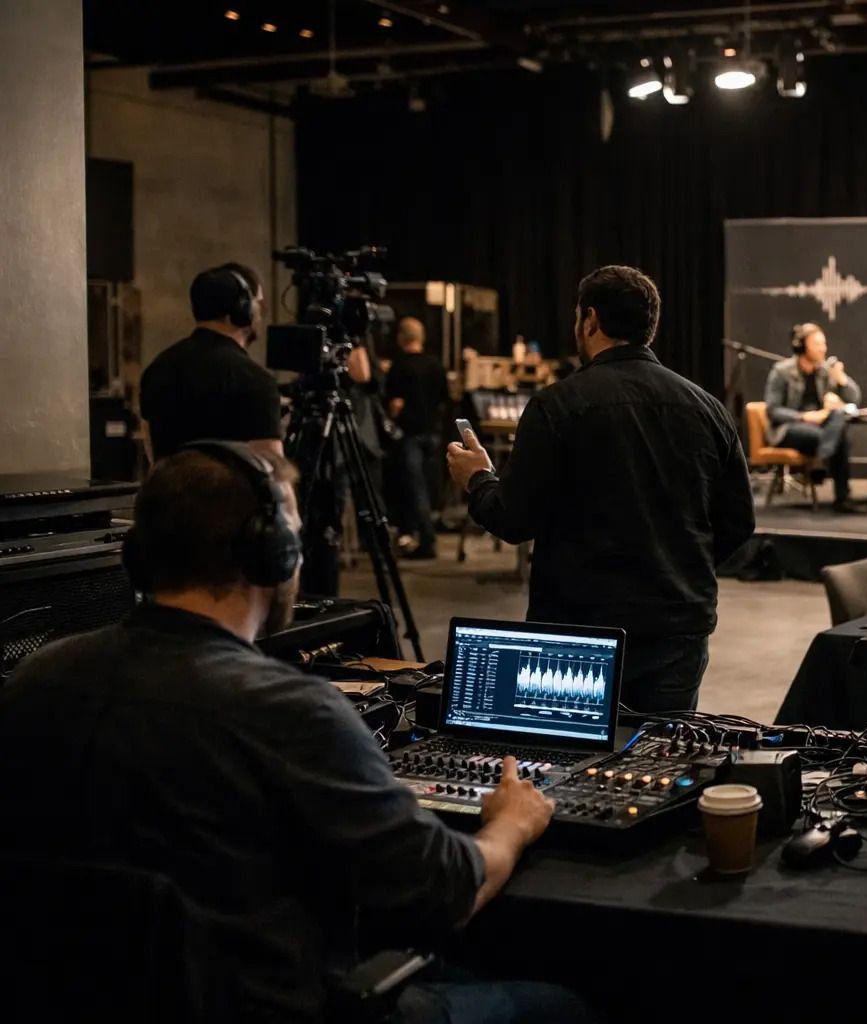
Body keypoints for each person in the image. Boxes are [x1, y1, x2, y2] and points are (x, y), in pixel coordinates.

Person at [0, 445, 576, 1023]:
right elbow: (446, 892)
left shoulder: (33, 681)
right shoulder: (291, 713)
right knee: (564, 1003)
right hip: (276, 1005)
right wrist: (512, 823)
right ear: (272, 555)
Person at [447, 266, 755, 712]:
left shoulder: (555, 406)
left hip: (578, 631)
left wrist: (478, 478)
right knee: (660, 753)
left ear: (590, 319)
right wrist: (679, 565)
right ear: (650, 327)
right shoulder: (708, 409)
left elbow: (513, 520)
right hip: (677, 628)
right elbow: (739, 522)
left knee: (567, 750)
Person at [138, 263, 282, 461]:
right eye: (258, 303)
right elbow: (272, 470)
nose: (260, 312)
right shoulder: (256, 381)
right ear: (242, 309)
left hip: (171, 482)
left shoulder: (157, 369)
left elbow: (152, 452)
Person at [763, 322, 861, 512]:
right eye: (817, 344)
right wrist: (805, 417)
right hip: (789, 428)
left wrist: (841, 380)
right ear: (802, 346)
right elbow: (773, 410)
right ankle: (842, 497)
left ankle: (821, 459)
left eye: (824, 344)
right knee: (839, 437)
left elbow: (854, 398)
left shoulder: (824, 370)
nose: (823, 348)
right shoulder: (781, 371)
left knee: (839, 415)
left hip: (822, 427)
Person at [386, 317, 450, 558]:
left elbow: (395, 405)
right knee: (428, 487)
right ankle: (425, 533)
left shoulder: (399, 366)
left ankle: (425, 540)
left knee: (415, 489)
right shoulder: (435, 365)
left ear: (401, 337)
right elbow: (444, 399)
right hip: (432, 433)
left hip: (409, 434)